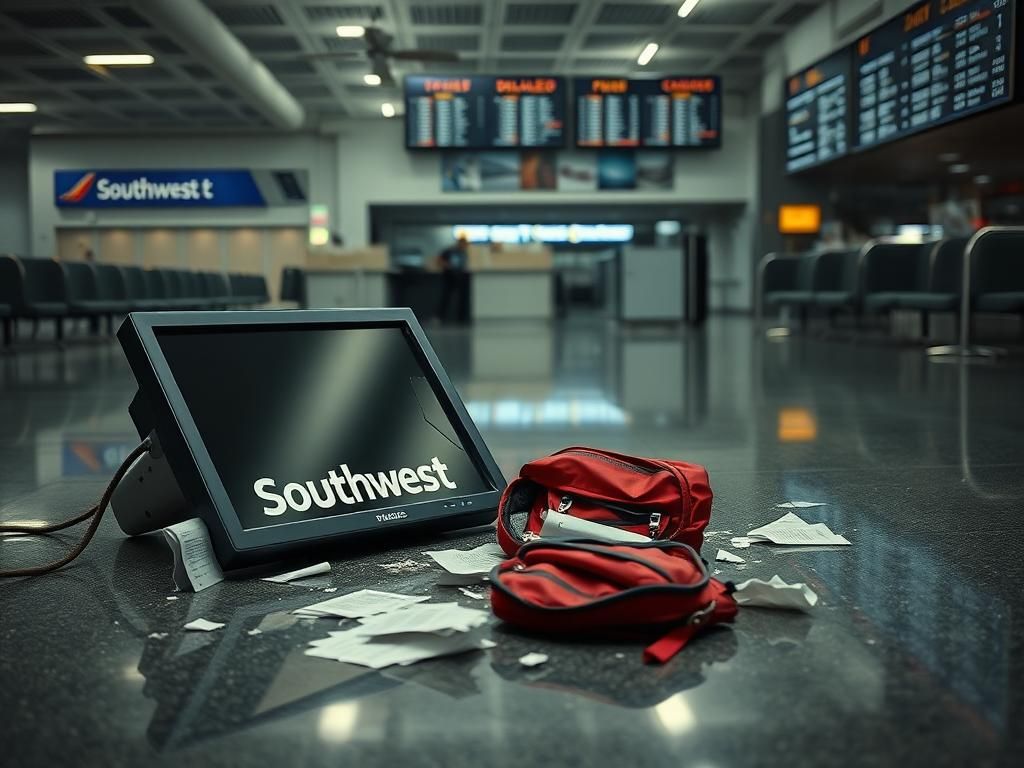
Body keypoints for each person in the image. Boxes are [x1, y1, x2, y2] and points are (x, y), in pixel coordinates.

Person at [435, 235, 469, 324]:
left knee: (462, 299)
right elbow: (439, 260)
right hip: (449, 277)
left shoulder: (463, 253)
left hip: (460, 278)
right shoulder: (449, 251)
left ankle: (461, 319)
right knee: (446, 298)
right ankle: (440, 317)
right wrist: (448, 266)